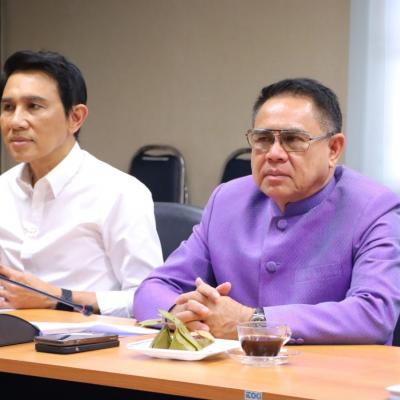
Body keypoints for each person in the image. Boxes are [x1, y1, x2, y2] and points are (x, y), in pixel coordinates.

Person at [134, 78, 400, 344]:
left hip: (329, 368)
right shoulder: (227, 201)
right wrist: (181, 313)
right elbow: (153, 288)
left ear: (333, 149)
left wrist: (254, 321)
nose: (274, 153)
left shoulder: (373, 206)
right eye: (262, 139)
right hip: (232, 366)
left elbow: (374, 313)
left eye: (293, 140)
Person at [0, 50, 163, 317]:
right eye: (8, 108)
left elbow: (150, 300)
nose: (16, 121)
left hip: (89, 339)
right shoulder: (3, 190)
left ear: (75, 118)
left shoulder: (120, 192)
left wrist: (57, 298)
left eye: (34, 106)